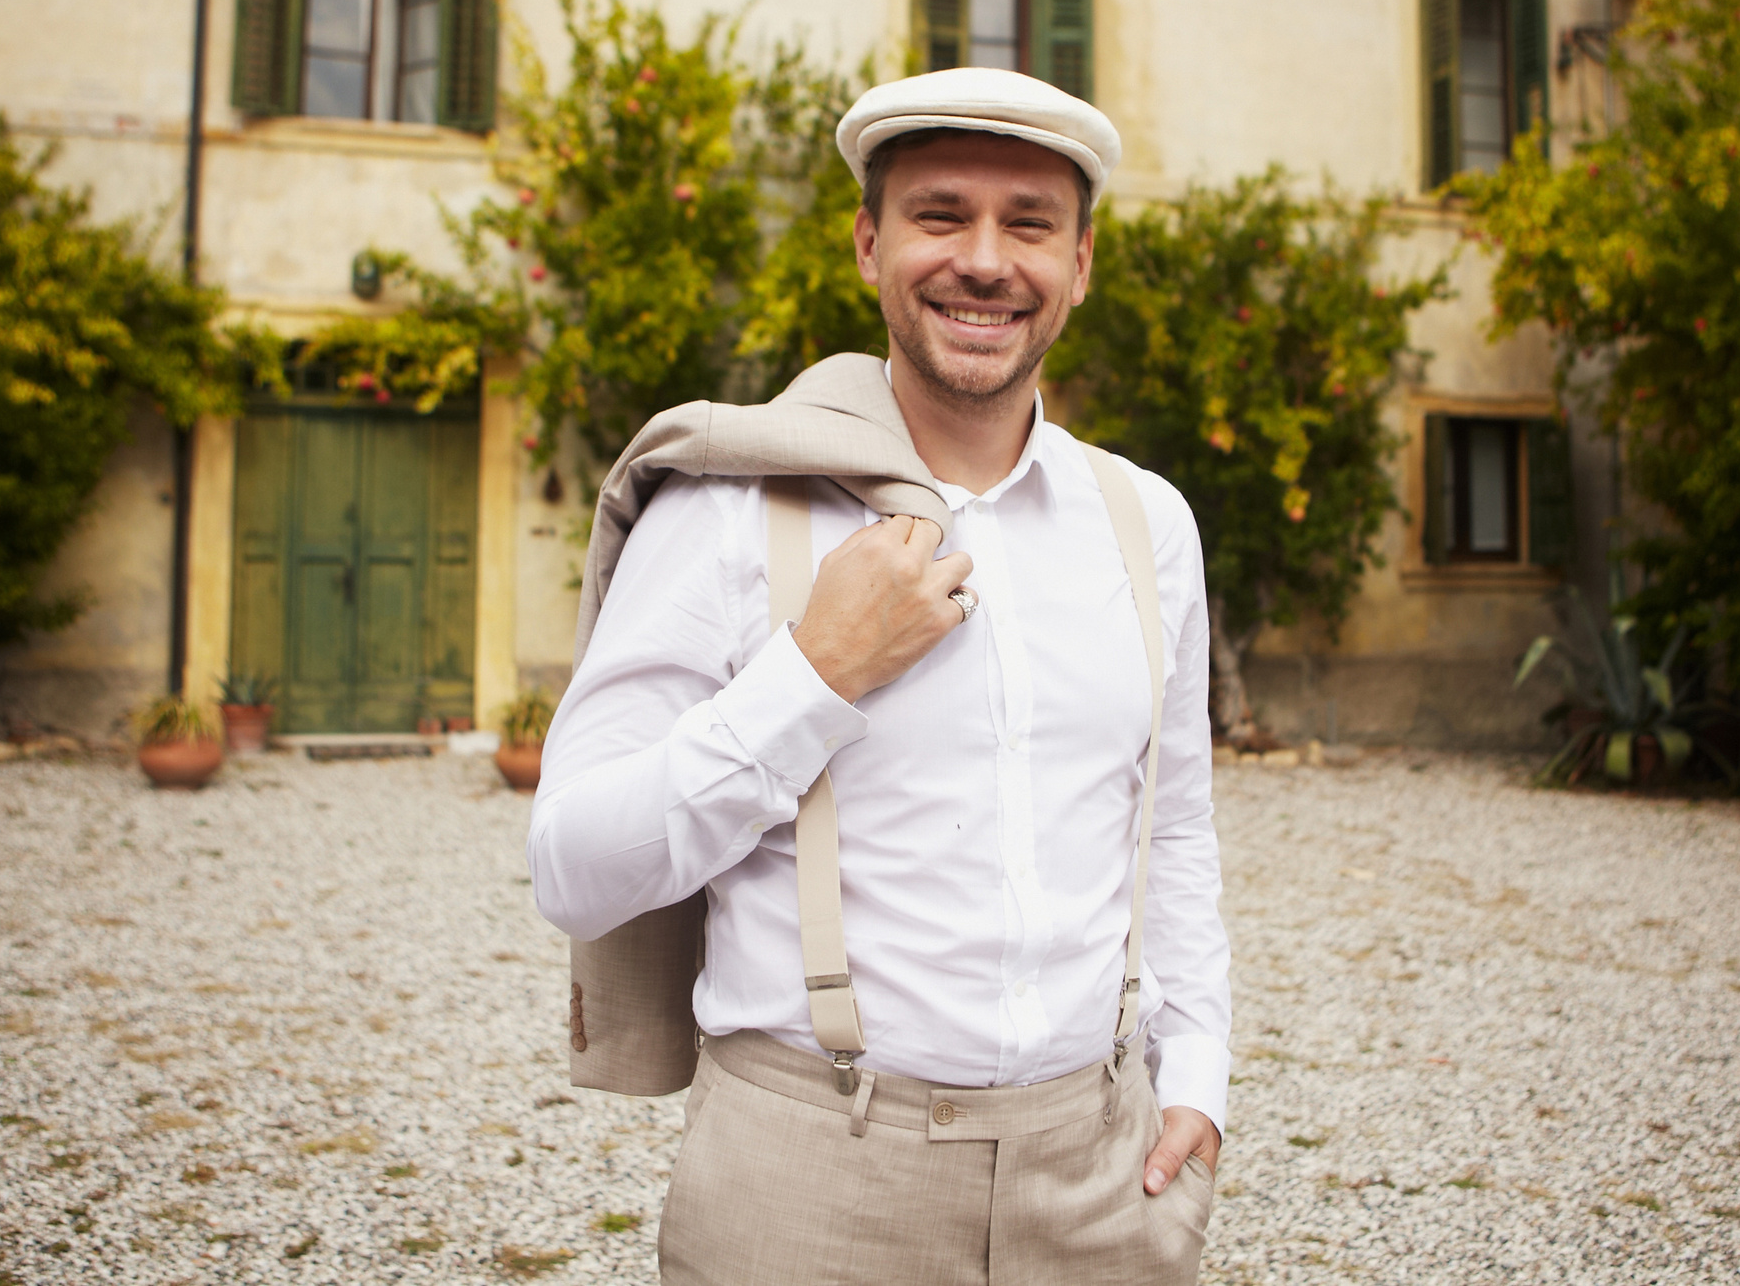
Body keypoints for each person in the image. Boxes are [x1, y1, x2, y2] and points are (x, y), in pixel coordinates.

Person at [528, 67, 1231, 1284]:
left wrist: (1203, 1069)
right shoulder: (724, 507)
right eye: (940, 214)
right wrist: (817, 671)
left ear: (1081, 264)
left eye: (1029, 223)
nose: (985, 260)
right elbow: (575, 866)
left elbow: (1169, 826)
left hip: (1102, 1182)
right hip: (810, 1186)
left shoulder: (1145, 520)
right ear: (868, 243)